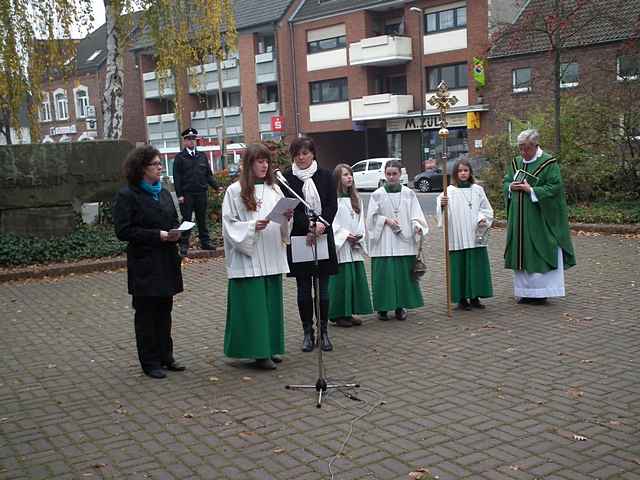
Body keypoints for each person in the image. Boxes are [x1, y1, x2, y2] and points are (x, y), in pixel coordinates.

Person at [113, 145, 186, 379]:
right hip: (144, 263)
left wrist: (178, 232)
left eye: (159, 163)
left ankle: (167, 356)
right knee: (146, 314)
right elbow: (123, 231)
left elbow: (173, 220)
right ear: (142, 168)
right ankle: (150, 361)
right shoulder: (127, 195)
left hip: (166, 260)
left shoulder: (163, 193)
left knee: (165, 311)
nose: (159, 167)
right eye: (155, 164)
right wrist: (158, 235)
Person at [221, 143, 293, 370]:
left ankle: (271, 346)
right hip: (249, 256)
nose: (264, 165)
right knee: (254, 306)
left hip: (271, 252)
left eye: (266, 161)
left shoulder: (275, 189)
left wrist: (287, 217)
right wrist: (252, 227)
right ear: (249, 164)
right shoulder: (235, 191)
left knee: (270, 304)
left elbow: (283, 224)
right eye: (259, 161)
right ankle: (257, 352)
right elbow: (229, 224)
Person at [503, 129, 576, 304]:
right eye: (520, 148)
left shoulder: (549, 163)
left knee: (539, 250)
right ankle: (525, 293)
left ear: (536, 146)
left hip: (539, 219)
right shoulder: (516, 162)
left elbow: (555, 187)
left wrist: (532, 190)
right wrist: (510, 187)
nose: (523, 152)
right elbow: (506, 181)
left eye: (526, 148)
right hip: (519, 218)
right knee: (522, 252)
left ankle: (541, 292)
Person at [283, 137, 338, 352]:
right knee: (303, 289)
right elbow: (290, 209)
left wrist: (321, 226)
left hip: (323, 235)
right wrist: (308, 226)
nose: (301, 157)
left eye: (305, 153)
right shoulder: (286, 179)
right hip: (300, 238)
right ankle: (308, 333)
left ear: (313, 154)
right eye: (297, 153)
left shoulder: (326, 176)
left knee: (323, 290)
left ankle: (324, 331)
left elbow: (331, 206)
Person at [367, 160, 428, 320]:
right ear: (385, 175)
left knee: (402, 276)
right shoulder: (378, 194)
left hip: (404, 240)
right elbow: (371, 219)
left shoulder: (409, 193)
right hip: (384, 241)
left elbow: (416, 214)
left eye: (395, 174)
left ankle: (401, 306)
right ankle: (383, 308)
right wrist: (385, 220)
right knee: (385, 276)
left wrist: (417, 225)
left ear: (400, 175)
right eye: (389, 174)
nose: (392, 177)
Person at [437, 159, 494, 311]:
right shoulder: (448, 190)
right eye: (460, 171)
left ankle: (475, 297)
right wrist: (442, 204)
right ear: (455, 173)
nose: (463, 173)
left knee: (475, 266)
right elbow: (441, 212)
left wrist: (482, 218)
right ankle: (462, 299)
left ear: (470, 172)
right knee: (459, 267)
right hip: (457, 234)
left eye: (466, 170)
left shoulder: (477, 189)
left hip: (475, 233)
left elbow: (486, 209)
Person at [328, 164, 373, 327]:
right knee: (342, 281)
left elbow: (361, 221)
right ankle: (338, 314)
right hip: (341, 245)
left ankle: (349, 312)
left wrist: (359, 235)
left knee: (354, 280)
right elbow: (330, 223)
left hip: (353, 245)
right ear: (337, 179)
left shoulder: (356, 198)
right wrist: (345, 235)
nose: (349, 178)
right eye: (345, 175)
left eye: (350, 175)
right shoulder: (332, 199)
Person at [172, 127, 220, 256]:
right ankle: (184, 245)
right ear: (184, 141)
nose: (192, 142)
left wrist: (217, 187)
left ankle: (205, 242)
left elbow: (208, 175)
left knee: (202, 219)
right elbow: (177, 178)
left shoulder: (202, 156)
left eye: (194, 139)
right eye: (189, 139)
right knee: (186, 220)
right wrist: (179, 195)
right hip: (187, 194)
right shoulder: (180, 158)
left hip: (201, 193)